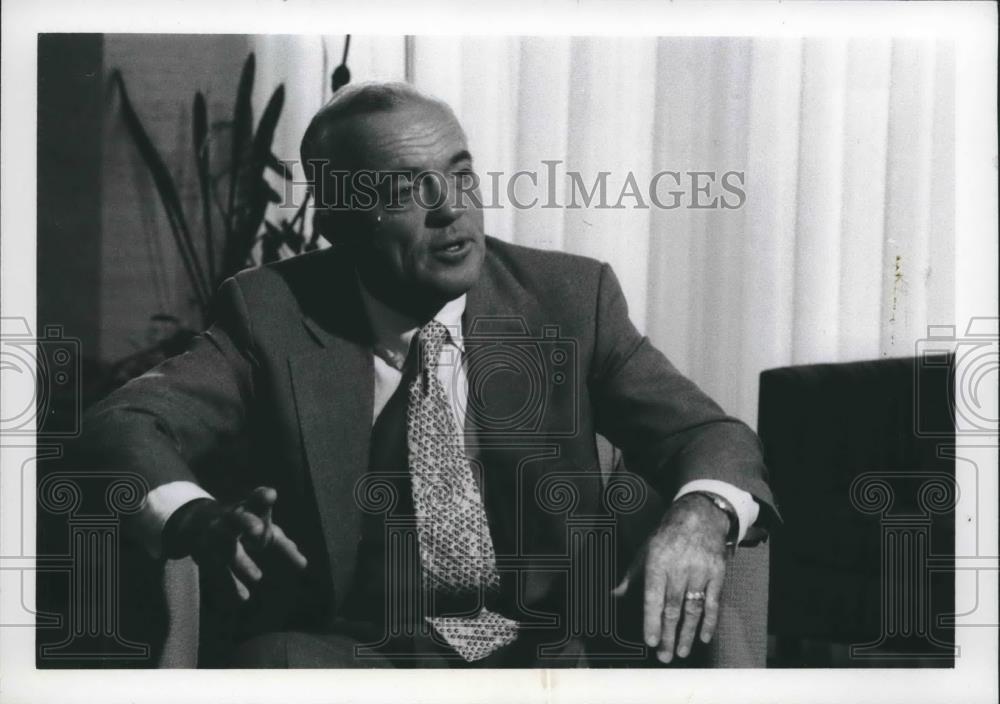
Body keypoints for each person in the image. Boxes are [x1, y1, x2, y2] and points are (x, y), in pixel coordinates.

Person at [80, 81, 777, 668]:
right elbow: (124, 423)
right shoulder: (270, 314)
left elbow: (708, 434)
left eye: (461, 173)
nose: (451, 208)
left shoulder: (568, 299)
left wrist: (700, 513)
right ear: (338, 222)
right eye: (405, 190)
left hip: (544, 656)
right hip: (354, 652)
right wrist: (197, 520)